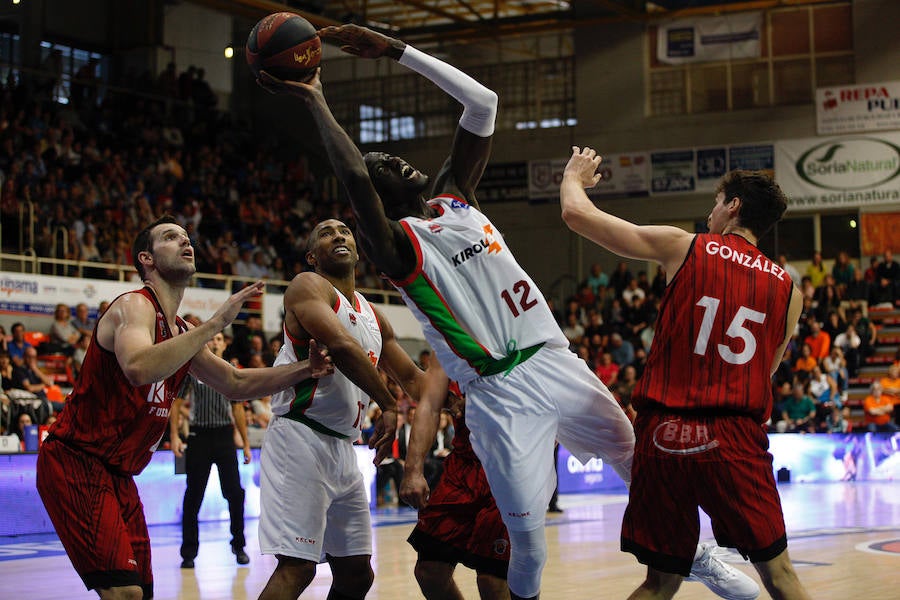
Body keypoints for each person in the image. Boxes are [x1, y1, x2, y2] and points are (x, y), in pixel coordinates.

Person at [259, 24, 747, 600]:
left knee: (638, 456)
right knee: (528, 547)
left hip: (555, 360)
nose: (394, 158)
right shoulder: (397, 246)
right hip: (499, 394)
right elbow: (353, 174)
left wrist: (396, 50)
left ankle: (700, 555)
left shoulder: (455, 197)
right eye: (385, 162)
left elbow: (482, 102)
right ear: (380, 195)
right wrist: (316, 97)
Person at [35, 215, 332, 600]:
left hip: (118, 474)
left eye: (187, 237)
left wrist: (307, 368)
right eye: (171, 238)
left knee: (141, 592)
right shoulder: (134, 306)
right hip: (76, 461)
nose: (185, 242)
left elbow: (235, 384)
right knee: (124, 593)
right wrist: (212, 326)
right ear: (147, 259)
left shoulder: (178, 332)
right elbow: (139, 367)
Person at [560, 152, 808, 599]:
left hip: (663, 434)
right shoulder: (789, 290)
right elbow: (765, 371)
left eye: (716, 203)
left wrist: (573, 176)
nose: (710, 212)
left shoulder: (685, 246)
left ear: (733, 206)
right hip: (733, 438)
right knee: (781, 576)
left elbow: (577, 215)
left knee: (660, 582)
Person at [257, 218, 424, 600]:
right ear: (312, 255)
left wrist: (464, 388)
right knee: (296, 567)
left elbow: (414, 379)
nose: (339, 235)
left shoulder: (373, 315)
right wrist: (388, 403)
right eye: (326, 232)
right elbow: (344, 348)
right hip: (300, 436)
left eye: (346, 230)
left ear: (357, 248)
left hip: (344, 450)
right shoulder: (307, 285)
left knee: (356, 574)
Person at [400, 361, 510, 600]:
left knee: (492, 580)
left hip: (506, 468)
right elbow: (427, 400)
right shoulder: (448, 342)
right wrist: (413, 469)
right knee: (430, 571)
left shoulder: (524, 335)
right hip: (461, 468)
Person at [169, 330, 252, 569]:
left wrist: (245, 443)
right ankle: (188, 553)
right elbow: (176, 403)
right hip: (199, 436)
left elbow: (237, 409)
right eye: (211, 338)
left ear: (224, 344)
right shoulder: (194, 368)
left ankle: (239, 546)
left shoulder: (231, 370)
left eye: (218, 339)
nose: (214, 342)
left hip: (225, 435)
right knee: (193, 496)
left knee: (235, 493)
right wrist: (175, 435)